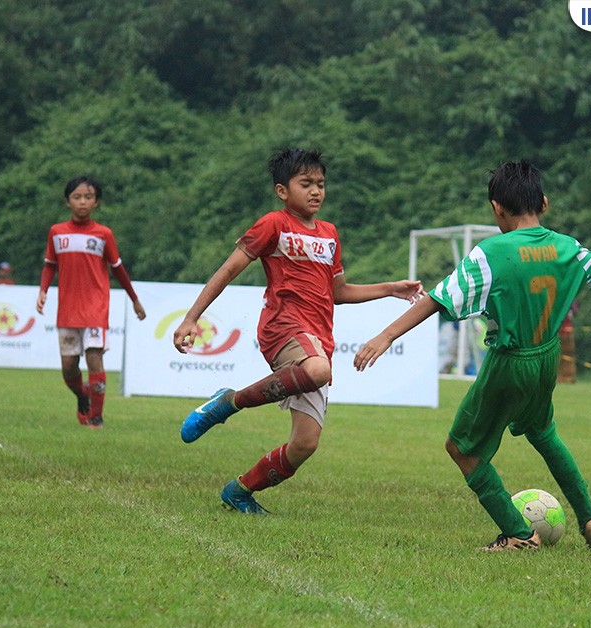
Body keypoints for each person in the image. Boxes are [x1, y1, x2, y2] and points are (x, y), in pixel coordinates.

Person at [354, 160, 591, 551]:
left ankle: (518, 534)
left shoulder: (492, 252)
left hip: (510, 361)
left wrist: (385, 335)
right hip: (547, 358)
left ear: (496, 208)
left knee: (462, 449)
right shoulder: (567, 247)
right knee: (543, 432)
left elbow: (438, 299)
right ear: (544, 202)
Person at [173, 148, 423, 514]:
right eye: (305, 183)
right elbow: (228, 270)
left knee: (305, 444)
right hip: (283, 325)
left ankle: (240, 491)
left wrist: (390, 288)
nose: (316, 191)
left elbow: (339, 292)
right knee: (318, 370)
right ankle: (228, 403)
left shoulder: (330, 233)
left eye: (320, 183)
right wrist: (192, 318)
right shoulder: (273, 224)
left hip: (318, 340)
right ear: (282, 190)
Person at [36, 176, 147, 429]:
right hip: (67, 310)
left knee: (94, 358)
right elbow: (50, 265)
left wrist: (134, 299)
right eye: (77, 197)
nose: (83, 202)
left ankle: (96, 418)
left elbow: (118, 269)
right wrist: (43, 290)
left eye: (88, 197)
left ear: (96, 202)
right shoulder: (57, 232)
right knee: (68, 368)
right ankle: (83, 395)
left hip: (96, 308)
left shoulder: (103, 234)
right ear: (68, 202)